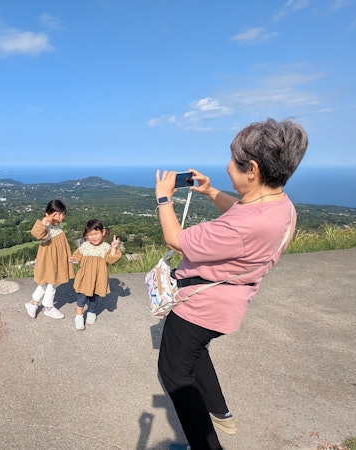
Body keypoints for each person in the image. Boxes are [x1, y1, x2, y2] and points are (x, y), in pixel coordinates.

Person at [154, 118, 308, 450]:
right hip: (227, 305)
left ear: (252, 169)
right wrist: (209, 192)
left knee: (174, 375)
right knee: (194, 355)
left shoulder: (246, 227)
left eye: (233, 161)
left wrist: (163, 198)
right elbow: (241, 209)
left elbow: (175, 238)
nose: (227, 167)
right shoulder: (280, 207)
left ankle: (205, 444)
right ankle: (221, 413)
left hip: (200, 306)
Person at [26, 199, 75, 320]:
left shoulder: (58, 226)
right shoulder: (46, 226)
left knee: (48, 282)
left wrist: (69, 257)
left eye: (61, 214)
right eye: (56, 214)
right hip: (49, 261)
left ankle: (33, 303)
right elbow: (36, 233)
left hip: (59, 260)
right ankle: (48, 307)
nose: (59, 217)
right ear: (48, 214)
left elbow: (62, 245)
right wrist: (45, 221)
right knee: (52, 283)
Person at [70, 219, 122, 330]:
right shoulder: (84, 246)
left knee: (95, 298)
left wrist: (113, 247)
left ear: (102, 232)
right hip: (85, 278)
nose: (93, 237)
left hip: (98, 278)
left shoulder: (106, 247)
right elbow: (76, 257)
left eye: (96, 233)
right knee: (82, 298)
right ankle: (79, 317)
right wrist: (72, 259)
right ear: (86, 235)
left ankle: (91, 313)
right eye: (90, 234)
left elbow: (111, 259)